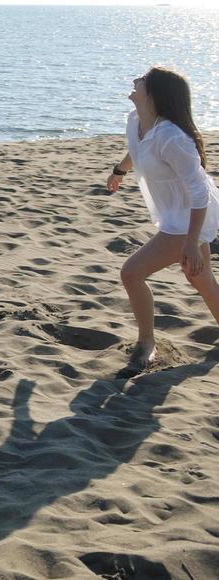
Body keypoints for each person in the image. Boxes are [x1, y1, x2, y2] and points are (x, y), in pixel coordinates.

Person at [107, 67, 219, 377]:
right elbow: (137, 149)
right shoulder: (136, 122)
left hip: (188, 218)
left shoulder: (172, 138)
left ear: (154, 96)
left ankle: (146, 344)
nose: (134, 81)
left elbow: (200, 195)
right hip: (176, 214)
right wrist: (119, 171)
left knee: (131, 273)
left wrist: (191, 244)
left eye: (141, 81)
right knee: (200, 279)